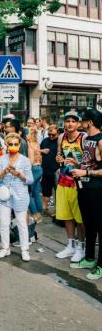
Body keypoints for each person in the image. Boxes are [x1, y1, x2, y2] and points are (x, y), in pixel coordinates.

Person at [70, 109, 102, 280]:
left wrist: (86, 174)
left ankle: (101, 266)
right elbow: (90, 162)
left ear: (89, 122)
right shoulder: (87, 139)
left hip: (98, 190)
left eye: (82, 120)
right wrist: (78, 165)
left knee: (100, 227)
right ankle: (89, 258)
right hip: (84, 189)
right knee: (88, 225)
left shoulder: (100, 141)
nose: (80, 123)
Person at [0, 133, 34, 262]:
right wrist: (3, 172)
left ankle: (24, 250)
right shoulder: (1, 159)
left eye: (15, 144)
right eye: (10, 144)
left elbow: (30, 180)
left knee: (22, 223)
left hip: (20, 195)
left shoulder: (25, 160)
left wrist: (19, 175)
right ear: (6, 144)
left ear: (19, 145)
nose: (12, 146)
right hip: (5, 195)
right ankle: (5, 248)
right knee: (4, 223)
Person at [54, 111, 86, 263]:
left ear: (79, 123)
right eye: (67, 121)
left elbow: (90, 162)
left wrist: (77, 164)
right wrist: (59, 159)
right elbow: (59, 156)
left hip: (78, 183)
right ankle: (70, 245)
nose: (70, 124)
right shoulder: (61, 137)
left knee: (79, 217)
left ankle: (81, 247)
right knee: (66, 215)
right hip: (63, 181)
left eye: (73, 121)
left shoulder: (83, 138)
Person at [40, 125, 59, 215]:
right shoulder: (45, 141)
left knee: (57, 192)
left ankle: (57, 211)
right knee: (45, 190)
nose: (51, 136)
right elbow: (38, 150)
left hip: (56, 171)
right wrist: (42, 151)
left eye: (53, 135)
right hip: (45, 170)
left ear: (58, 133)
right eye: (49, 134)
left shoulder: (60, 142)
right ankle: (44, 208)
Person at [27, 127, 43, 222]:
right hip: (39, 168)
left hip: (33, 169)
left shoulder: (30, 146)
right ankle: (40, 213)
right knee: (36, 192)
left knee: (29, 194)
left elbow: (31, 161)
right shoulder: (36, 144)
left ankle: (35, 215)